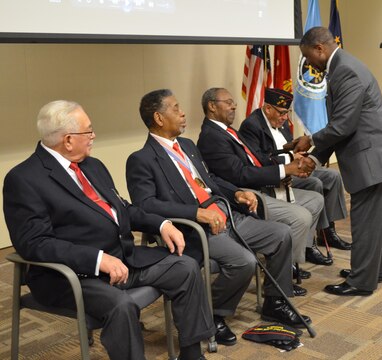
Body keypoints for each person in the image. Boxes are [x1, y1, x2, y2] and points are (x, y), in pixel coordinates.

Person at [2, 100, 215, 360]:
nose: (93, 136)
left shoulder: (93, 166)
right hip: (72, 276)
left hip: (123, 260)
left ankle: (192, 354)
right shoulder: (24, 179)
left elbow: (122, 209)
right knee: (122, 306)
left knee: (185, 267)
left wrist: (162, 224)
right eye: (88, 131)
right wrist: (98, 260)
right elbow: (34, 243)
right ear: (68, 140)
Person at [125, 89, 312, 345]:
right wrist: (195, 213)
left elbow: (210, 181)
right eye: (176, 108)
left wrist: (237, 194)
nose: (182, 113)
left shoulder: (188, 146)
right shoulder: (141, 160)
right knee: (244, 261)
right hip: (196, 228)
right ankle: (212, 314)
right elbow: (145, 205)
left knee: (281, 234)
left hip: (226, 213)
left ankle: (275, 302)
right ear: (158, 118)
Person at [293, 27, 382, 296]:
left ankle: (361, 281)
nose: (310, 64)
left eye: (308, 57)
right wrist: (316, 157)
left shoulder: (344, 70)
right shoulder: (345, 65)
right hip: (380, 154)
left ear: (319, 49)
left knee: (367, 220)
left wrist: (310, 142)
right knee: (377, 221)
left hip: (373, 157)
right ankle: (372, 271)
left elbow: (343, 126)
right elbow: (342, 125)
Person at [196, 88, 328, 273]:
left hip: (261, 184)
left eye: (233, 102)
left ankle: (294, 258)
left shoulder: (228, 131)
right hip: (245, 194)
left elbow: (257, 158)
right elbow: (239, 175)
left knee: (316, 200)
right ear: (211, 106)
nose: (234, 106)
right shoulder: (211, 137)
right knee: (301, 216)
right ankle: (283, 270)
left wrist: (285, 169)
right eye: (228, 102)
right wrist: (283, 169)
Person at [239, 87, 351, 251]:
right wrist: (291, 158)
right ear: (268, 108)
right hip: (277, 174)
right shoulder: (251, 125)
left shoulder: (282, 123)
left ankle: (327, 231)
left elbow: (288, 147)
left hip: (294, 166)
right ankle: (308, 244)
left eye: (287, 113)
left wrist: (299, 154)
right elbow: (258, 159)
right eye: (282, 113)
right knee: (315, 182)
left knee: (333, 176)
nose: (285, 118)